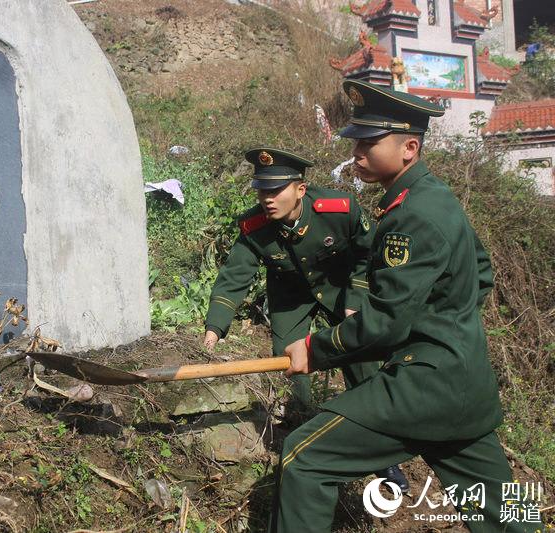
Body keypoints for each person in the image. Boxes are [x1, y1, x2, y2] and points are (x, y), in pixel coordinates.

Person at [275, 80, 540, 532]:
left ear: (409, 147)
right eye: (355, 140)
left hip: (424, 387)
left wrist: (315, 348)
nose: (356, 150)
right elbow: (480, 273)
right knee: (508, 516)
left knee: (303, 457)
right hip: (465, 386)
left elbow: (385, 323)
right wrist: (439, 319)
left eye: (368, 141)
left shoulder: (410, 216)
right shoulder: (435, 198)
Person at [203, 147, 408, 490]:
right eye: (261, 191)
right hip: (290, 297)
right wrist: (214, 329)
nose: (267, 199)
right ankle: (303, 433)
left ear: (300, 189)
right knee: (288, 361)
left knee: (361, 364)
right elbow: (233, 278)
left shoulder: (339, 210)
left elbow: (367, 252)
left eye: (275, 191)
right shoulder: (255, 227)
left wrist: (356, 299)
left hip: (341, 288)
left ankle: (385, 458)